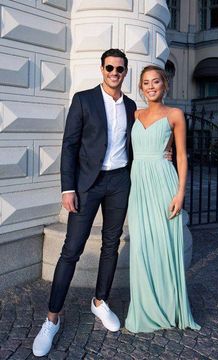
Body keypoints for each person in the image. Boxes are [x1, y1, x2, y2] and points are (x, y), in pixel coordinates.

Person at [32, 48, 136, 357]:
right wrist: (68, 188)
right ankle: (53, 317)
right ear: (102, 69)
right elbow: (69, 146)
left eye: (119, 69)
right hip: (87, 185)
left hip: (118, 182)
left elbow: (138, 142)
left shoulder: (131, 106)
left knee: (110, 243)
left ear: (125, 72)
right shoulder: (84, 99)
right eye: (109, 67)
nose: (114, 73)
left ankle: (100, 302)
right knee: (71, 249)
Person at [125, 65, 201, 333]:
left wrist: (180, 193)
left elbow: (181, 156)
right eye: (146, 82)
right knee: (142, 247)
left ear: (164, 85)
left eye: (156, 81)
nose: (151, 86)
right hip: (139, 186)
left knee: (164, 247)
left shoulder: (175, 114)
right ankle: (145, 308)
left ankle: (169, 308)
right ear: (141, 87)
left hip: (163, 184)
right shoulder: (134, 114)